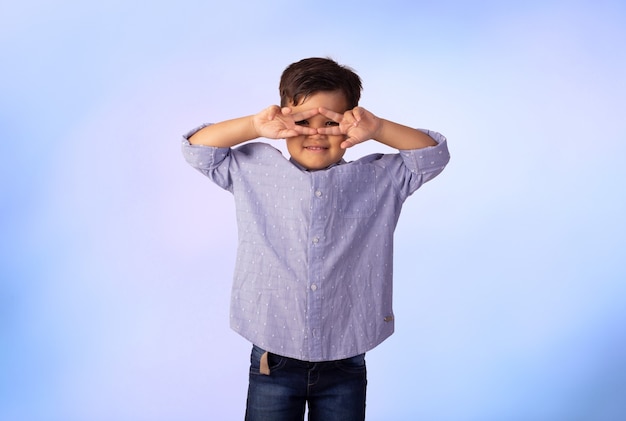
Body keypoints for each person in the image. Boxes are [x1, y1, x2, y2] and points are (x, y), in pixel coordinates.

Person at [181, 57, 450, 421]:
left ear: (352, 125)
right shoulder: (253, 168)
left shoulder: (380, 179)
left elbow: (431, 157)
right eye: (303, 121)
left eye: (331, 122)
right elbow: (198, 150)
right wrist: (254, 125)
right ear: (284, 118)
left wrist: (379, 127)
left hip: (346, 358)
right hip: (272, 357)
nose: (317, 133)